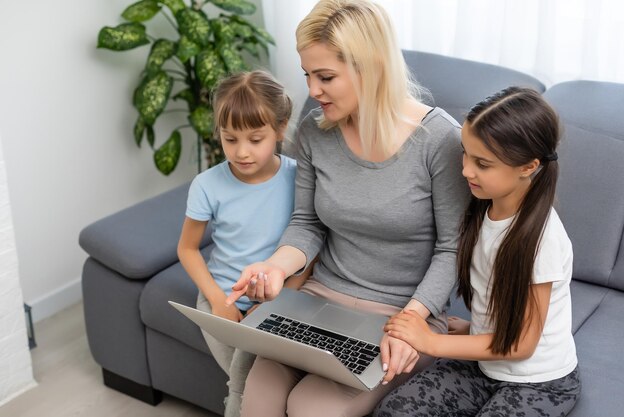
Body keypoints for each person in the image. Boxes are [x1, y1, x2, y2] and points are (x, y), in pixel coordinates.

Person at [225, 1, 469, 416]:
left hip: (399, 314)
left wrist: (412, 322)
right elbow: (306, 224)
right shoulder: (313, 131)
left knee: (312, 407)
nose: (312, 91)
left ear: (371, 68)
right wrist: (275, 268)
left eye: (326, 77)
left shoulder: (440, 140)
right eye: (307, 75)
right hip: (318, 299)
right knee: (259, 396)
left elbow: (453, 248)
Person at [374, 87, 581, 417]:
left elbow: (522, 344)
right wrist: (475, 329)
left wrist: (432, 342)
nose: (466, 171)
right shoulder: (482, 208)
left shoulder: (543, 241)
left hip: (538, 381)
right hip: (484, 362)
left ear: (528, 167)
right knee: (395, 410)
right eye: (465, 155)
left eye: (482, 164)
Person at [177, 70, 309, 417]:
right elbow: (187, 248)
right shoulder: (207, 185)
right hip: (222, 295)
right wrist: (219, 302)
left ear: (280, 130)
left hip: (282, 296)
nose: (242, 151)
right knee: (245, 381)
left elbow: (310, 247)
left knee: (255, 384)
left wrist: (283, 299)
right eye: (230, 139)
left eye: (255, 138)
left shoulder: (298, 178)